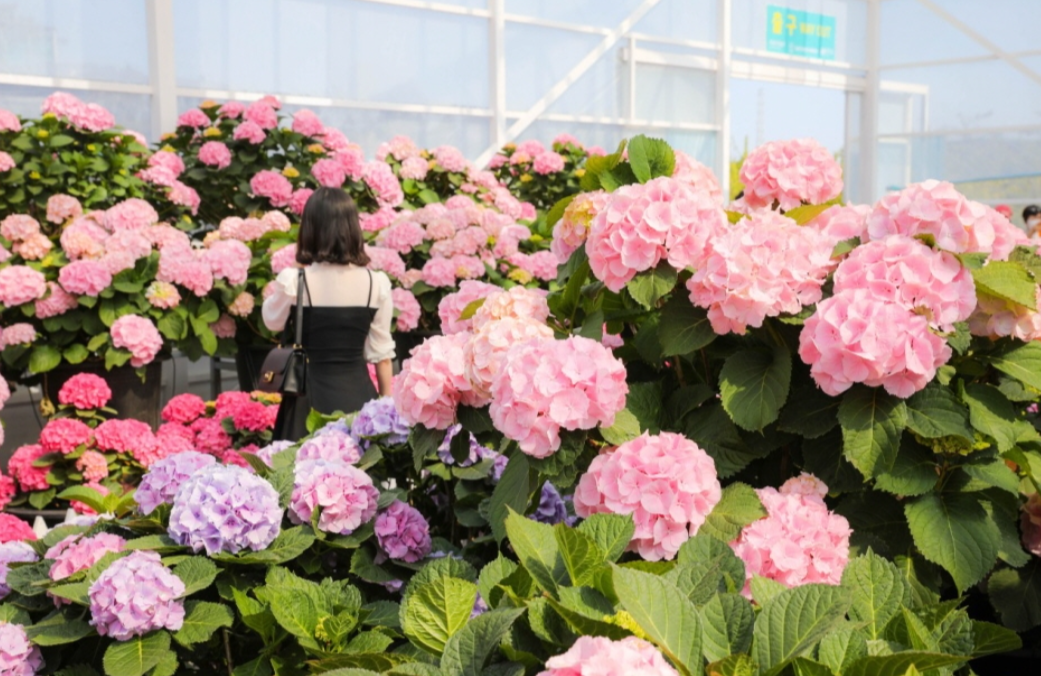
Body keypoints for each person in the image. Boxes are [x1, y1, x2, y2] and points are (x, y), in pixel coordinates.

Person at [262, 188, 394, 440]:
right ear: (353, 228)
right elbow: (383, 356)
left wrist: (296, 269)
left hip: (305, 405)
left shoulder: (296, 281)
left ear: (310, 229)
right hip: (360, 402)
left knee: (299, 473)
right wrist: (387, 410)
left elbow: (272, 321)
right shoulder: (376, 283)